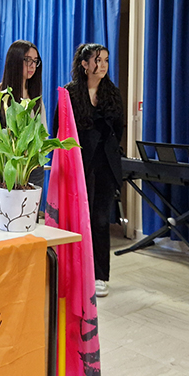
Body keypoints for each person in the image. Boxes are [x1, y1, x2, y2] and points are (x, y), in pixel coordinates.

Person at [64, 43, 124, 297]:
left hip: (105, 165)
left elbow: (118, 130)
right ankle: (77, 271)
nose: (103, 65)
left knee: (100, 220)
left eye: (106, 60)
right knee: (79, 219)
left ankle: (100, 275)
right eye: (97, 60)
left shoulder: (112, 93)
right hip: (80, 164)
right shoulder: (69, 93)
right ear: (84, 64)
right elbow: (61, 131)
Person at [0, 40, 46, 190]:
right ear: (15, 60)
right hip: (8, 167)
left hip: (32, 168)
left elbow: (43, 133)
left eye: (35, 61)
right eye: (27, 60)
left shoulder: (35, 98)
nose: (32, 66)